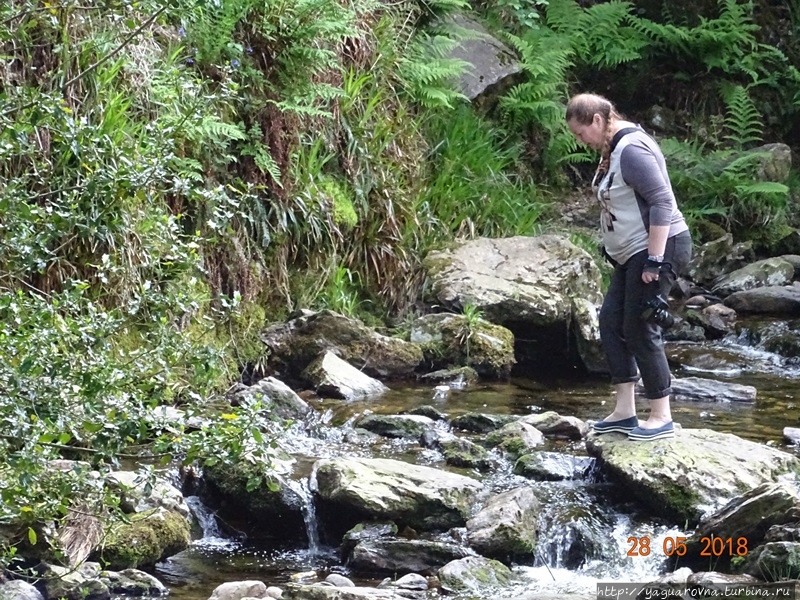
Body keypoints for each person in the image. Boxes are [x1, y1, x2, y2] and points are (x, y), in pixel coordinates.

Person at [566, 93, 692, 441]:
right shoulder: (612, 148)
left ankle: (661, 415)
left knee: (639, 327)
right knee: (609, 321)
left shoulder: (632, 150)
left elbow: (663, 201)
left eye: (580, 134)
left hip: (660, 247)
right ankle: (624, 412)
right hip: (632, 253)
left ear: (597, 120)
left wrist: (654, 259)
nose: (581, 142)